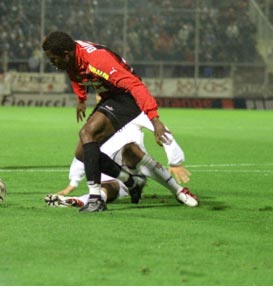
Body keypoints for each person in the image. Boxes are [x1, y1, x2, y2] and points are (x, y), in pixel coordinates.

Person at [42, 31, 173, 212]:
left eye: (54, 59)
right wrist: (81, 99)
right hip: (110, 96)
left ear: (66, 54)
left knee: (87, 133)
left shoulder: (98, 60)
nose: (52, 63)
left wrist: (155, 119)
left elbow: (135, 85)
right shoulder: (72, 53)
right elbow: (76, 74)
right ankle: (132, 182)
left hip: (126, 97)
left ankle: (95, 198)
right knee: (82, 152)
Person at [46, 112, 199, 208]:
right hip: (109, 168)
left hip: (135, 165)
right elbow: (87, 149)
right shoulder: (97, 118)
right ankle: (78, 200)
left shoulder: (133, 112)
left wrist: (175, 160)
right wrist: (73, 182)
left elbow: (161, 129)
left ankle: (178, 191)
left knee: (130, 149)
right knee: (108, 188)